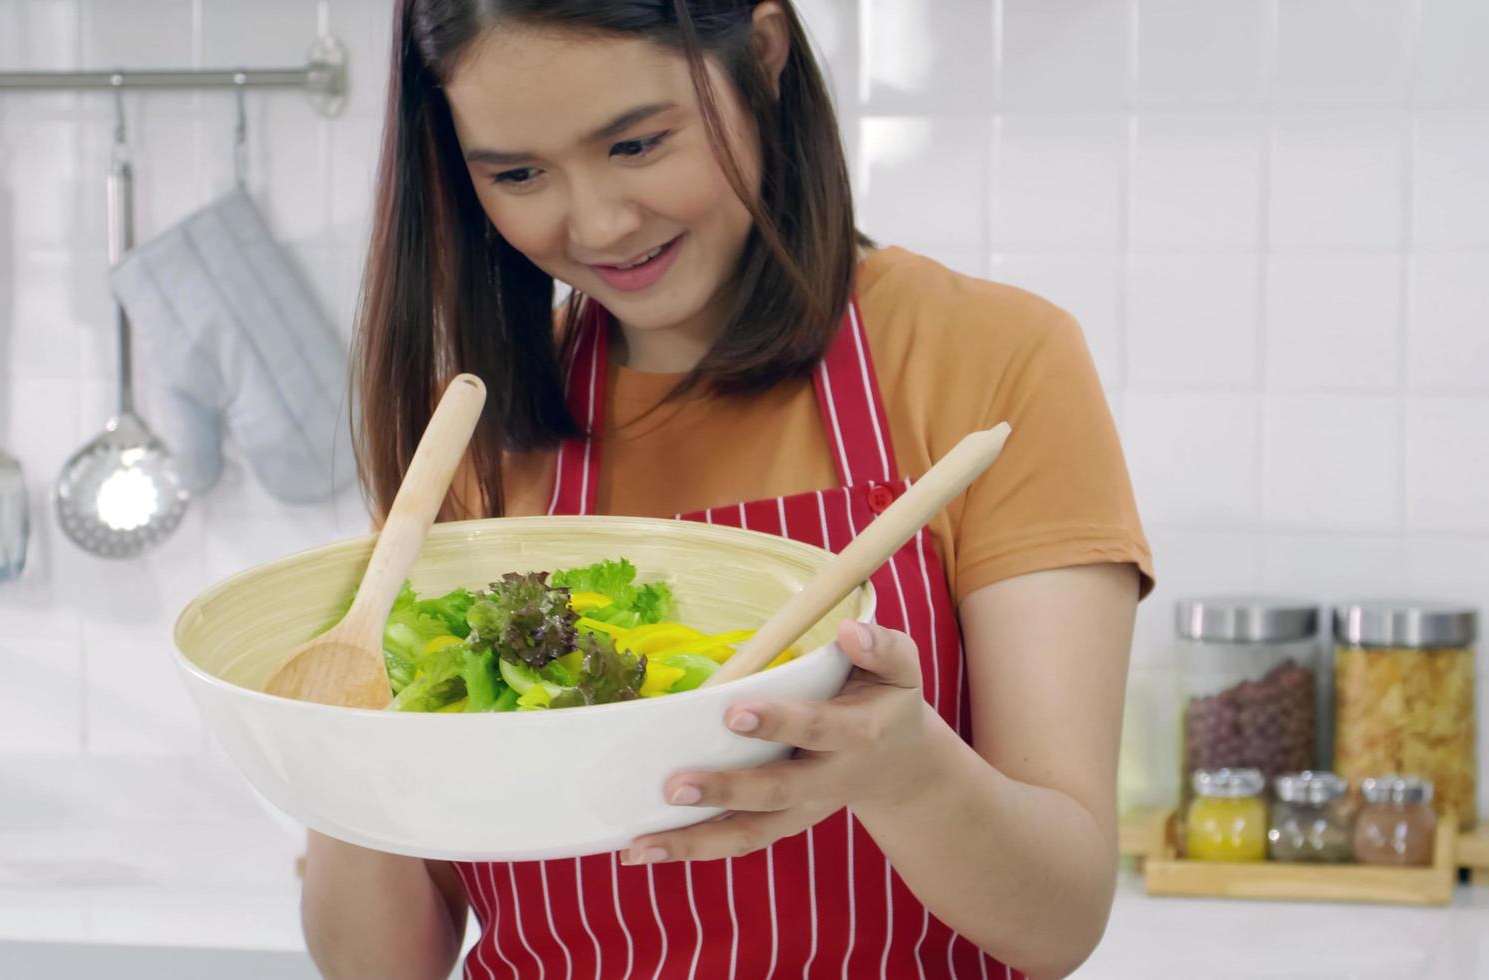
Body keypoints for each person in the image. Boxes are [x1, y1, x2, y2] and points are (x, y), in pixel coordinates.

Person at [305, 2, 1153, 977]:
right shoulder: (466, 441)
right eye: (516, 172)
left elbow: (1059, 918)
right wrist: (329, 743)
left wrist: (906, 771)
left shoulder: (990, 362)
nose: (598, 222)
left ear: (759, 51)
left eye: (634, 142)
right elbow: (378, 964)